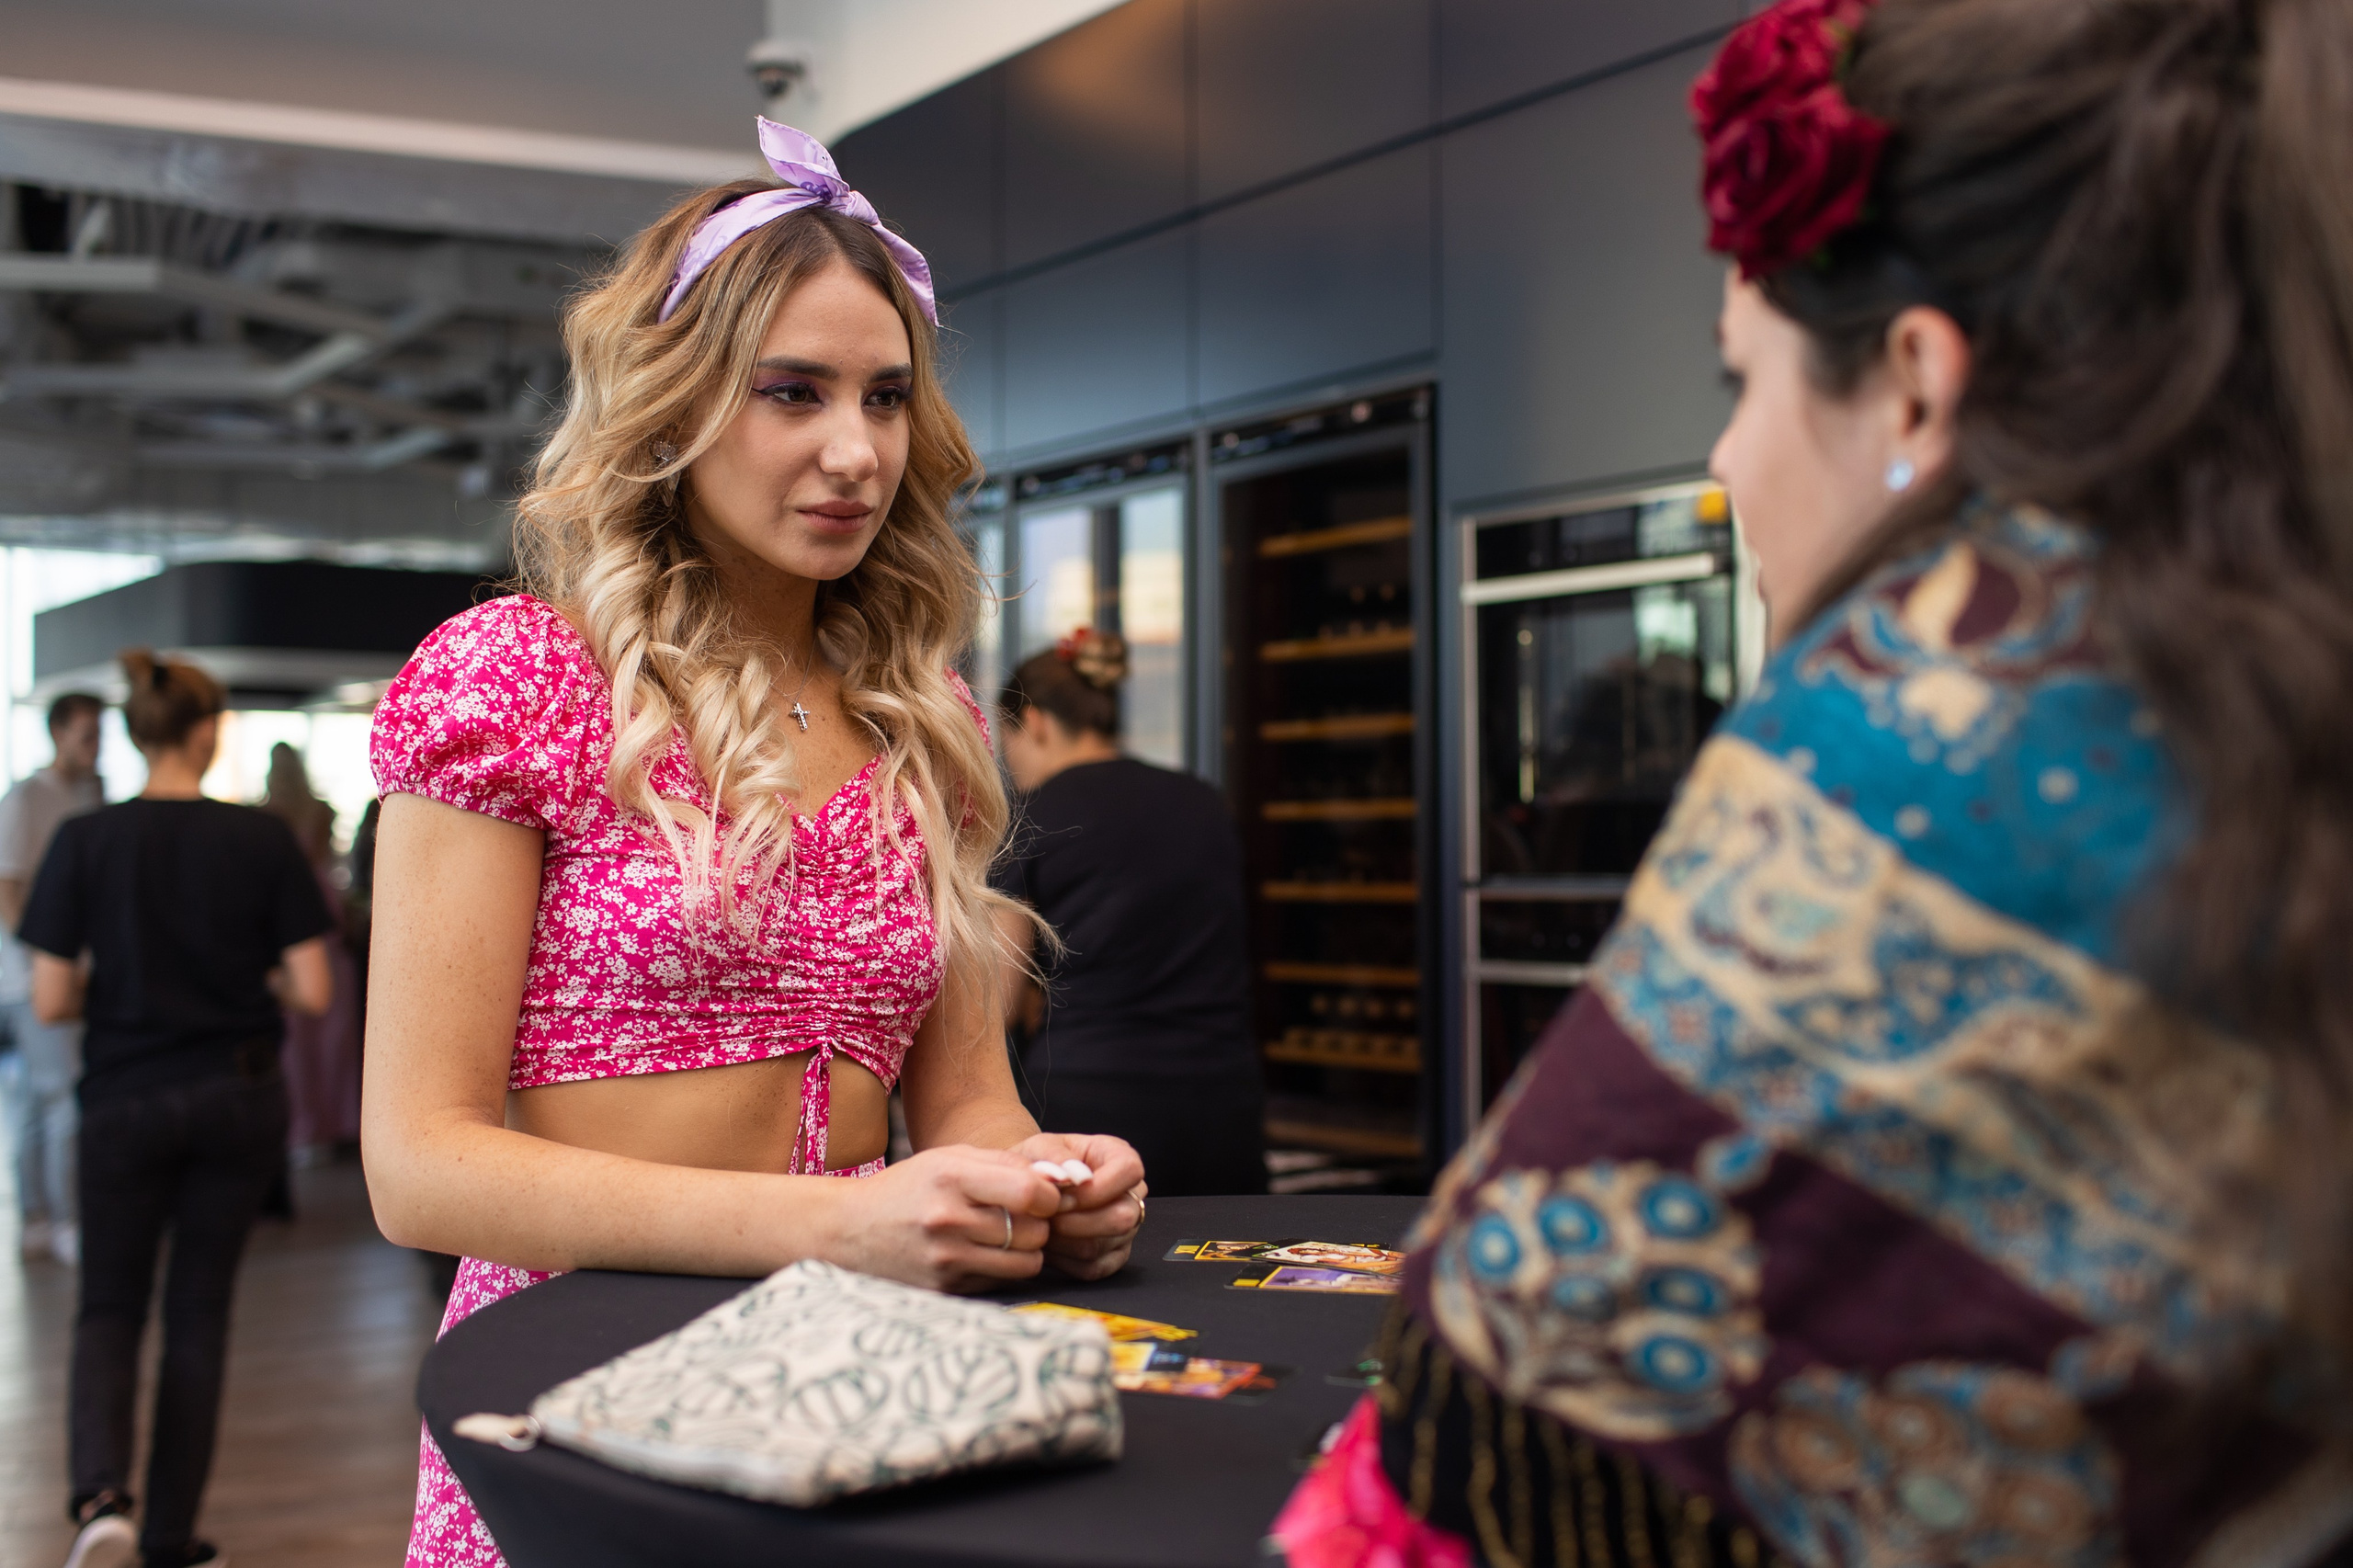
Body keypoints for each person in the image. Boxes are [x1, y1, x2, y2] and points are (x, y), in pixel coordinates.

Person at [1273, 0, 2353, 1563]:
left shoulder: (1917, 739)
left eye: (1744, 376)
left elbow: (1473, 1434)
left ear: (1914, 382)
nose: (1724, 459)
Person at [358, 118, 1147, 1568]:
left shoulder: (922, 713)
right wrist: (832, 1221)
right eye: (793, 392)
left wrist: (1042, 1184)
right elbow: (420, 1163)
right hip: (576, 1378)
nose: (856, 450)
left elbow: (969, 1103)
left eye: (886, 397)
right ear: (673, 408)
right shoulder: (512, 679)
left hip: (866, 1372)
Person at [27, 652, 335, 1568]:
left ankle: (101, 1503)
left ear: (134, 729)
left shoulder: (84, 843)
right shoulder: (261, 839)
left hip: (122, 1095)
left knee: (109, 1307)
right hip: (235, 1095)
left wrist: (128, 982)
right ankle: (170, 1536)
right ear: (207, 731)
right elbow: (313, 989)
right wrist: (243, 973)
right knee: (199, 1313)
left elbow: (49, 998)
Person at [993, 629, 1265, 1196]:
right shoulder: (1202, 800)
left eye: (1006, 738)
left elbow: (1000, 999)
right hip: (1221, 1098)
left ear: (1036, 722)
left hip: (1090, 1102)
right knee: (1223, 1269)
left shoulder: (1033, 817)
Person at [0, 691, 103, 1266]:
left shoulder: (88, 795)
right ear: (59, 732)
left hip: (70, 967)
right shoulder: (25, 799)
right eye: (87, 733)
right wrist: (46, 955)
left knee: (43, 1099)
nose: (95, 746)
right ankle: (64, 1220)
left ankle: (39, 1217)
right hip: (28, 976)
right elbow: (7, 888)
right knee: (61, 1096)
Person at [262, 743, 362, 1163]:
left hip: (292, 910)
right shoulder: (315, 811)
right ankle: (334, 1122)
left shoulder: (268, 813)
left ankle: (308, 1127)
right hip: (317, 909)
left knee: (302, 1041)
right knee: (330, 1037)